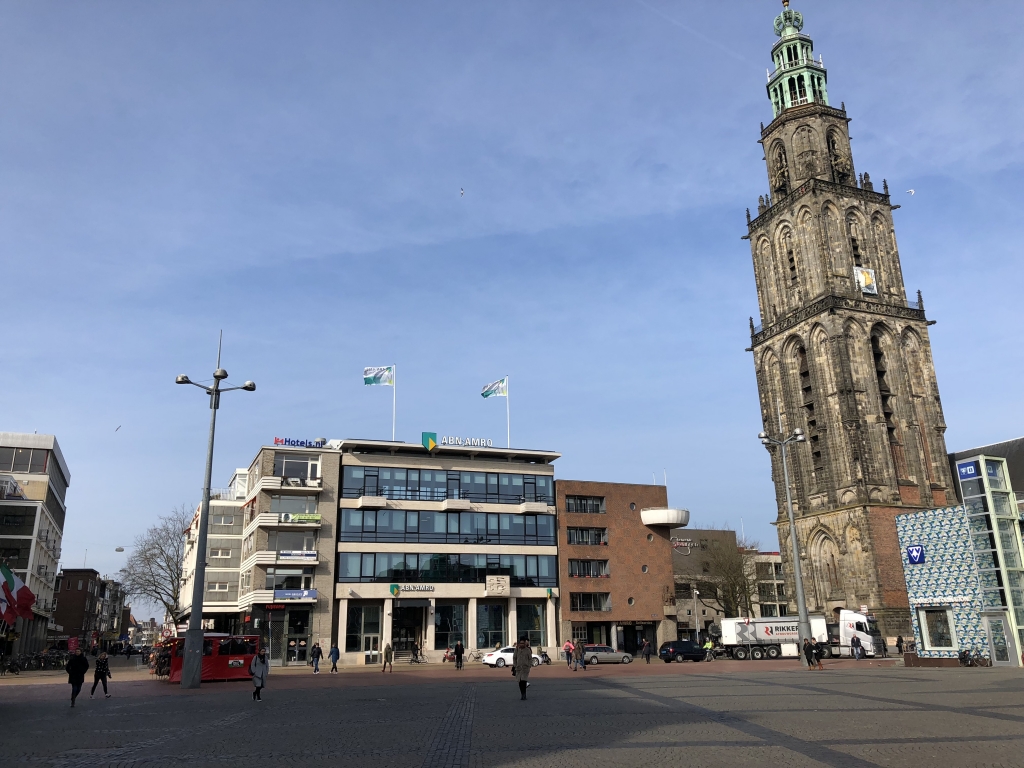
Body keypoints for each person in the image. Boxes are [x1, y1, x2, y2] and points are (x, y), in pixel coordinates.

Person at [512, 636, 533, 701]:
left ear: (525, 643)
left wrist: (529, 665)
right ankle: (522, 694)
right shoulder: (517, 650)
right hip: (518, 668)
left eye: (523, 643)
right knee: (520, 682)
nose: (521, 644)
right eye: (520, 643)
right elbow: (514, 658)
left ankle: (524, 694)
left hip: (525, 668)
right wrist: (515, 665)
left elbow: (530, 658)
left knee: (524, 681)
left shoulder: (527, 650)